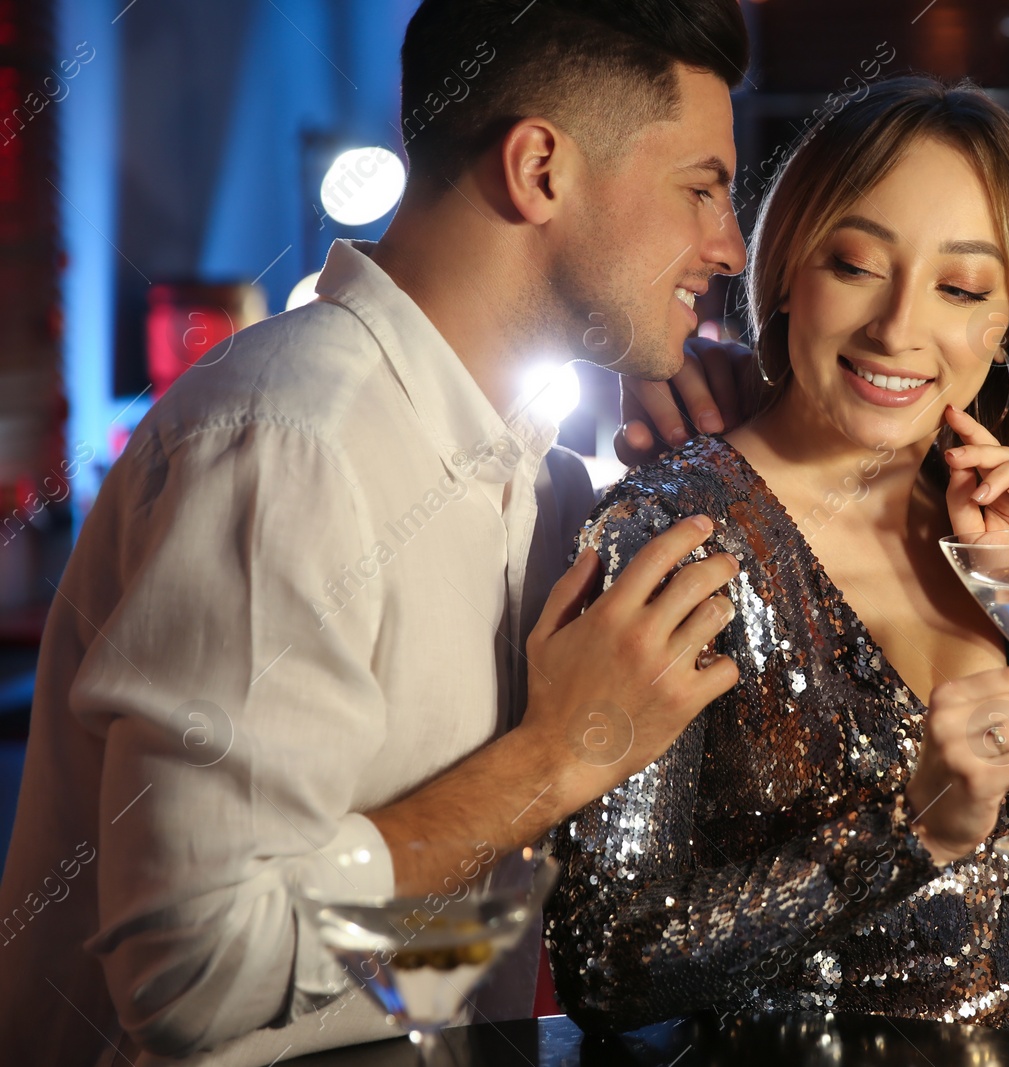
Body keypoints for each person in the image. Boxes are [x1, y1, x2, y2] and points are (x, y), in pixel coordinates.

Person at [0, 2, 755, 1064]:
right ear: (539, 167)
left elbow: (410, 961)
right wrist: (547, 761)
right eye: (703, 188)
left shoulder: (537, 485)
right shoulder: (292, 440)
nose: (727, 245)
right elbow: (191, 968)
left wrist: (751, 451)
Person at [546, 77, 1009, 1046]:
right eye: (855, 265)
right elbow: (610, 962)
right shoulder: (669, 531)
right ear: (782, 275)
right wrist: (914, 826)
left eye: (962, 287)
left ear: (1006, 324)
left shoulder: (990, 537)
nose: (897, 328)